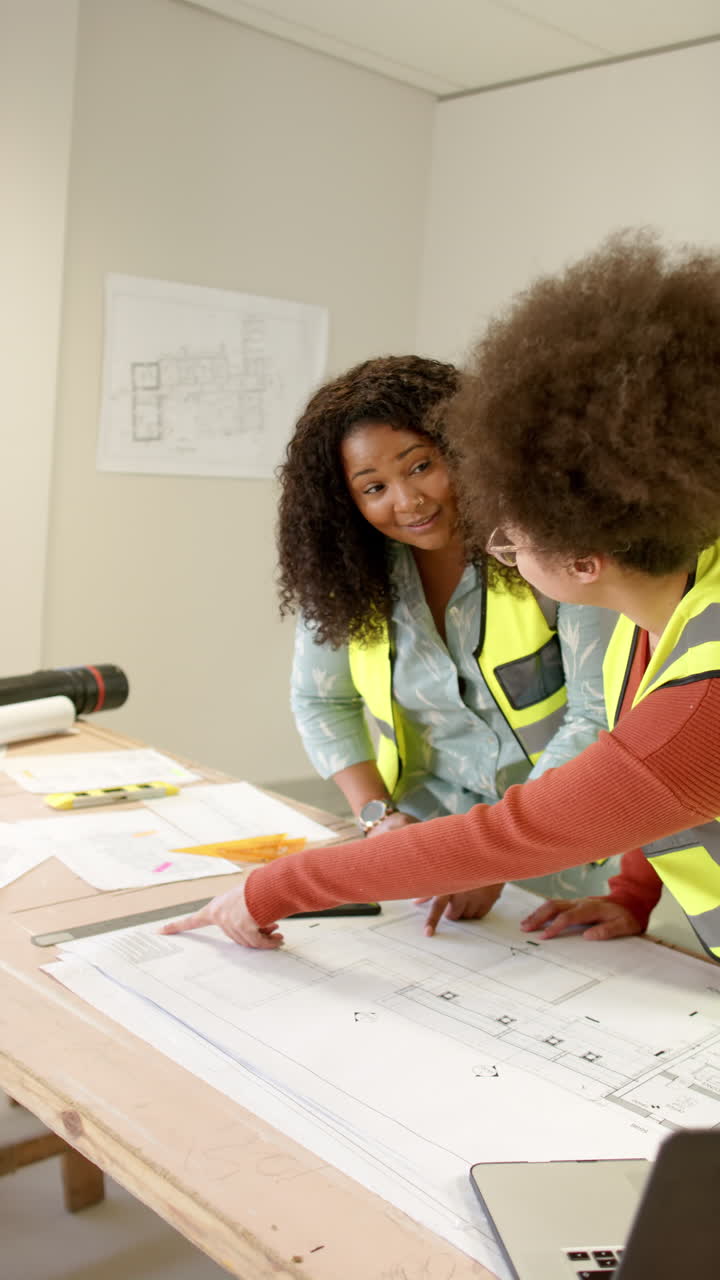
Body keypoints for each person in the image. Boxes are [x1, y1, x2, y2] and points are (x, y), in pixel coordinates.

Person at [162, 231, 720, 964]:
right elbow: (666, 798)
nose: (495, 540)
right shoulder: (665, 620)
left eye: (513, 537)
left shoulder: (698, 696)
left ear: (584, 560)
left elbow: (554, 816)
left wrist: (275, 888)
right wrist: (629, 895)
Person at [278, 355, 611, 931]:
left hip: (576, 857)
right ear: (345, 503)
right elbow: (321, 701)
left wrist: (493, 854)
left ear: (468, 448)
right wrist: (380, 820)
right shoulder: (346, 576)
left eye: (422, 465)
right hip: (426, 856)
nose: (407, 501)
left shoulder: (554, 550)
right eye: (374, 487)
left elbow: (597, 716)